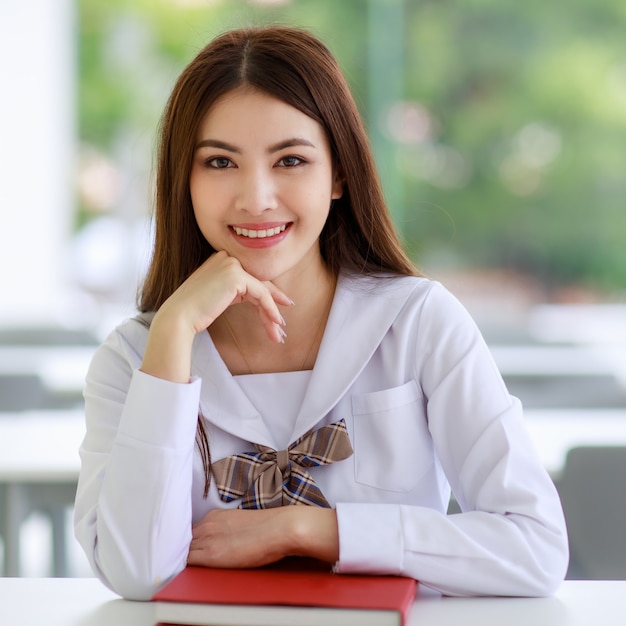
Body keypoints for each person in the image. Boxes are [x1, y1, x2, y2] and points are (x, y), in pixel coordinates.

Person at [73, 25, 568, 601]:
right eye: (219, 162)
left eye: (289, 160)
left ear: (338, 174)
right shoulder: (133, 357)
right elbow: (136, 574)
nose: (256, 197)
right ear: (183, 180)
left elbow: (534, 547)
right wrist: (175, 332)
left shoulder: (420, 322)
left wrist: (311, 529)